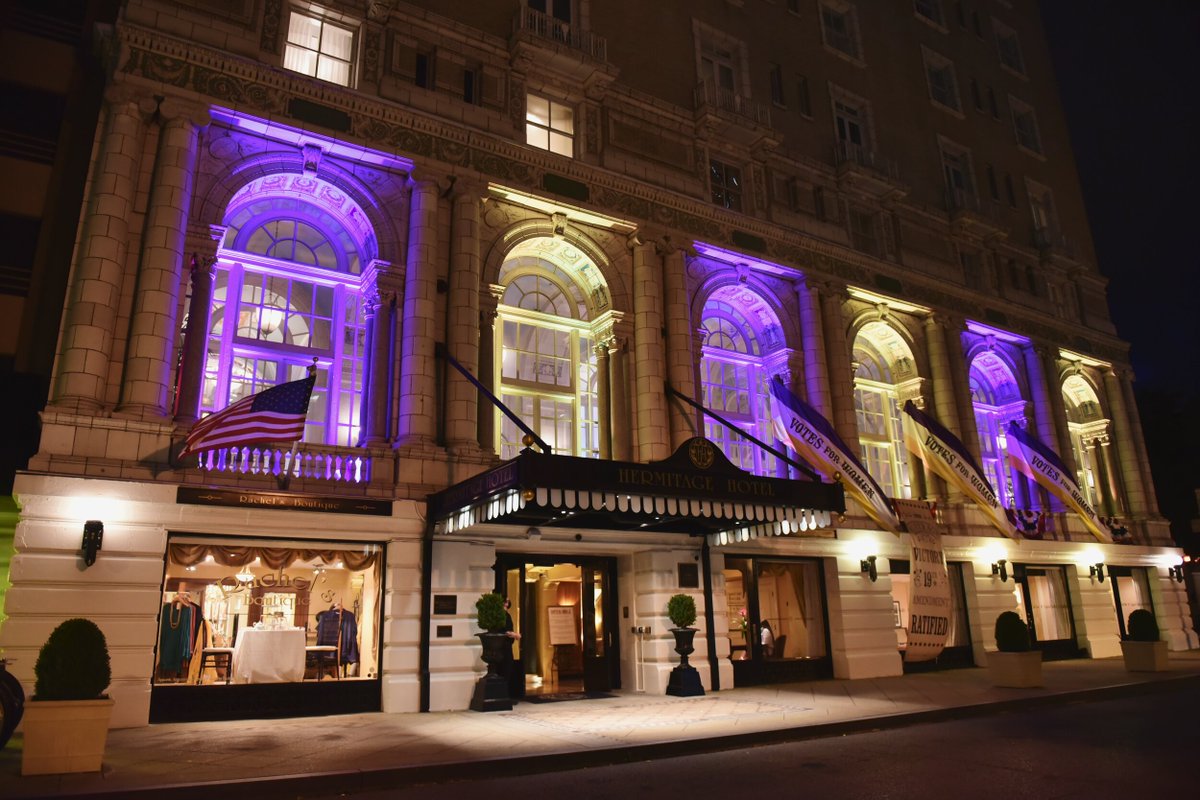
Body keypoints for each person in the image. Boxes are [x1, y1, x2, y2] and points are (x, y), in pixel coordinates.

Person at [503, 599, 523, 699]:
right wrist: (515, 635)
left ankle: (506, 694)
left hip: (507, 646)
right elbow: (504, 631)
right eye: (506, 601)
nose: (507, 602)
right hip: (504, 646)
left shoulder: (507, 615)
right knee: (505, 669)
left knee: (508, 669)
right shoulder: (503, 615)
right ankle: (504, 695)